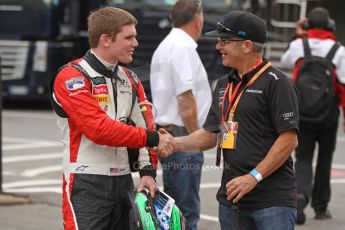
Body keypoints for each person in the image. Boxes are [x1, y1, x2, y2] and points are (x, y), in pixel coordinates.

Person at [159, 10, 299, 230]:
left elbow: (289, 140)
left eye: (224, 41)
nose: (218, 47)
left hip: (272, 201)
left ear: (247, 45)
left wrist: (254, 177)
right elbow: (209, 135)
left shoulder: (277, 83)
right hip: (232, 199)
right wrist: (175, 143)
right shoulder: (224, 84)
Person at [50, 7, 174, 230]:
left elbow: (144, 124)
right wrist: (154, 138)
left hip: (124, 182)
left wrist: (147, 172)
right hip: (86, 181)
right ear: (105, 40)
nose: (135, 43)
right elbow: (99, 129)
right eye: (129, 37)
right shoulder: (72, 76)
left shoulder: (130, 77)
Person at [150, 0, 212, 229]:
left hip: (173, 133)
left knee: (175, 208)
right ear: (198, 20)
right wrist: (197, 136)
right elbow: (185, 98)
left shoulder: (168, 44)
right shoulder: (182, 47)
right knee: (185, 212)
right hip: (183, 135)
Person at [281, 7, 345, 225]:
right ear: (330, 26)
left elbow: (287, 62)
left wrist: (299, 34)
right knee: (325, 160)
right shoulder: (339, 50)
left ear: (307, 26)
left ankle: (300, 195)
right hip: (328, 114)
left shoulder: (299, 44)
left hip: (303, 112)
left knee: (303, 158)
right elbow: (343, 86)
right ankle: (321, 207)